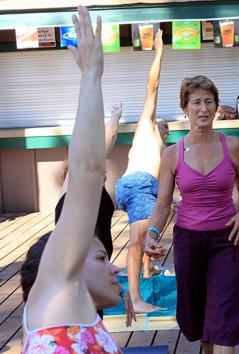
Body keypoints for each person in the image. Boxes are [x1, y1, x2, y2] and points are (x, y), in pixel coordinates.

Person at [19, 7, 126, 353]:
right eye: (99, 258)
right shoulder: (57, 301)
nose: (113, 268)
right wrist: (91, 74)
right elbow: (87, 170)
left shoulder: (79, 318)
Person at [143, 75, 239, 354]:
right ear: (185, 108)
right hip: (188, 242)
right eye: (196, 103)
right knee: (199, 314)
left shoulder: (234, 145)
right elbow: (162, 205)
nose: (203, 108)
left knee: (226, 315)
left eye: (209, 102)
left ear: (216, 107)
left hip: (226, 238)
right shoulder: (171, 154)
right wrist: (151, 235)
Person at [54, 102, 135, 324]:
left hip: (91, 272)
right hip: (77, 278)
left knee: (92, 329)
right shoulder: (75, 185)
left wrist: (119, 291)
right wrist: (115, 117)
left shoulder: (91, 189)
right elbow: (105, 141)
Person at [114, 29, 170, 313]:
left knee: (153, 222)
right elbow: (153, 87)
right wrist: (159, 52)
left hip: (138, 186)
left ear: (168, 131)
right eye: (155, 120)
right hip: (137, 184)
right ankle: (135, 300)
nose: (158, 122)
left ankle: (148, 272)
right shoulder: (146, 127)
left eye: (163, 123)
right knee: (137, 241)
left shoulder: (163, 148)